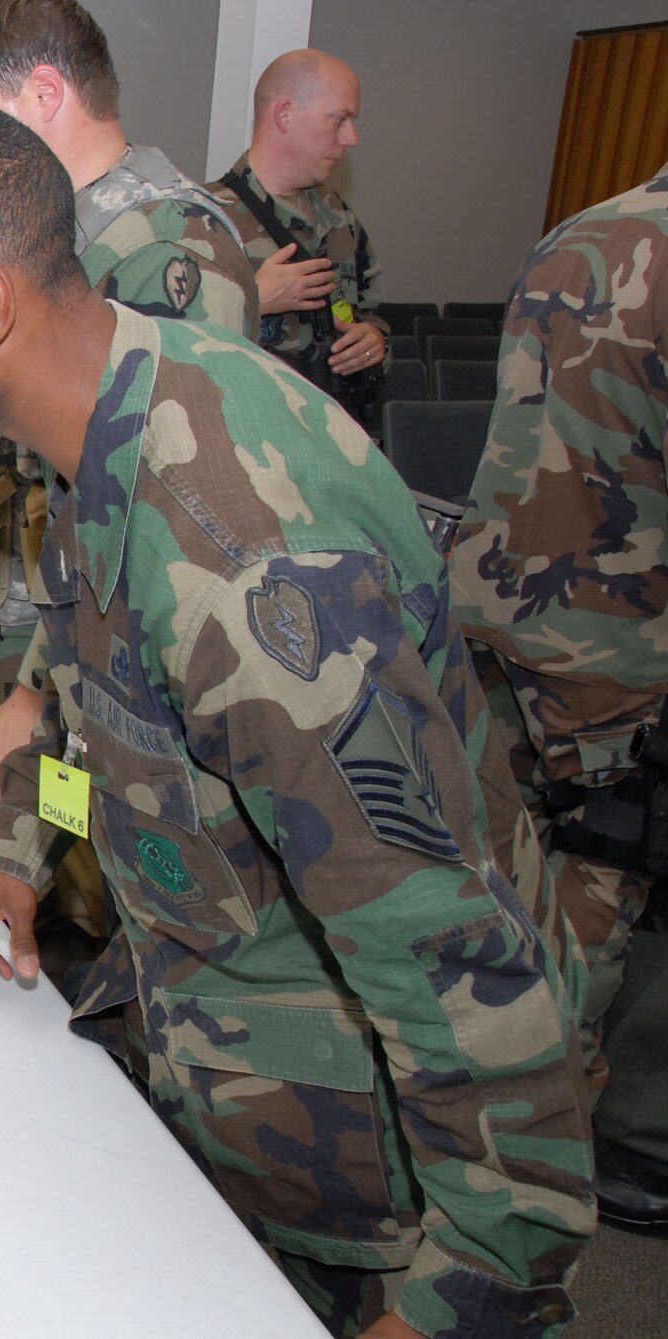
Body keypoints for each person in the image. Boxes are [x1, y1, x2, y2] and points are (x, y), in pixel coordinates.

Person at [0, 97, 593, 1336]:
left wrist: (461, 1297)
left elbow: (454, 962)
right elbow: (100, 715)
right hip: (230, 1105)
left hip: (372, 1205)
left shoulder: (243, 555)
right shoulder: (103, 432)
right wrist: (14, 856)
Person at [0, 0, 260, 880]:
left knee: (75, 899)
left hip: (80, 676)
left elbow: (157, 515)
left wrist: (38, 693)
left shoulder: (166, 248)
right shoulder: (32, 231)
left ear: (47, 91)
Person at [453, 162, 668, 1228]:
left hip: (500, 607)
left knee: (485, 877)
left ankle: (457, 1119)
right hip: (618, 650)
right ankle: (538, 1176)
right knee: (587, 903)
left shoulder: (582, 232)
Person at [208, 50, 389, 385]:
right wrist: (255, 300)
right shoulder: (206, 218)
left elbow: (372, 312)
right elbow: (170, 341)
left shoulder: (339, 219)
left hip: (333, 426)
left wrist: (377, 340)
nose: (352, 138)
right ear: (285, 115)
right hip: (249, 428)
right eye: (339, 120)